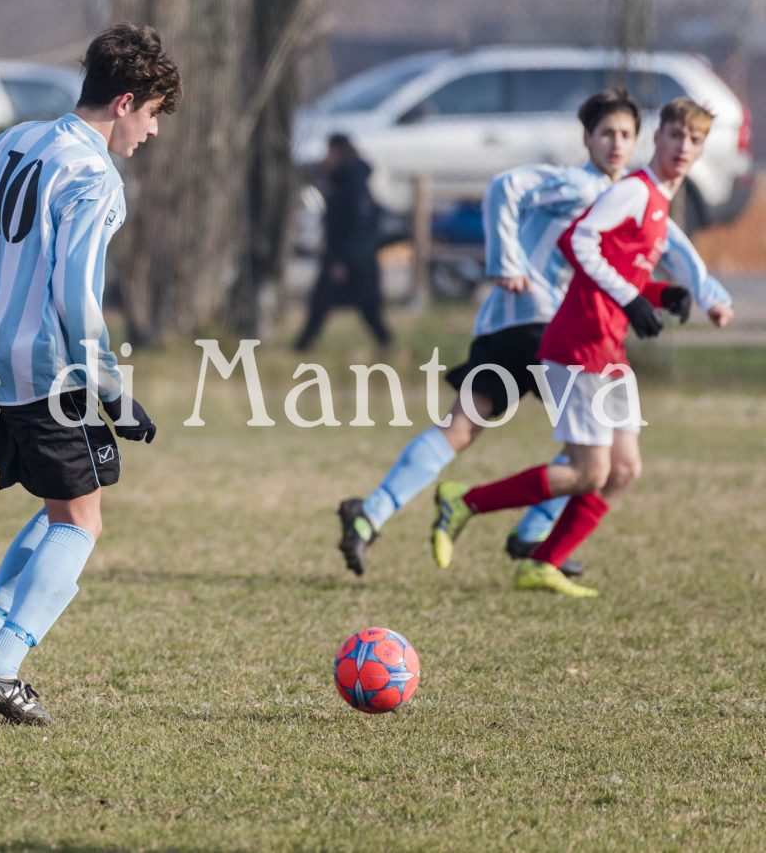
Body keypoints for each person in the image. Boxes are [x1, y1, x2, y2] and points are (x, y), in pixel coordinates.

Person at [335, 91, 732, 577]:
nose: (615, 143)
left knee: (481, 431)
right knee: (591, 451)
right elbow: (506, 185)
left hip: (533, 328)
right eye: (606, 133)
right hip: (537, 326)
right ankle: (528, 532)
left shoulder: (631, 194)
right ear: (586, 138)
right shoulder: (577, 184)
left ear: (638, 141)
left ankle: (371, 514)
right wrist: (507, 260)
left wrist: (702, 295)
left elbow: (673, 245)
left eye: (624, 135)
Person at [0, 23, 181, 725]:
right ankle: (1, 665)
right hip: (42, 367)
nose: (153, 131)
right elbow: (76, 297)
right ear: (125, 101)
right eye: (152, 113)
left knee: (61, 505)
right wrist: (112, 391)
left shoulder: (19, 139)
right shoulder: (95, 177)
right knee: (82, 521)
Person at [294, 134, 392, 351]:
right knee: (336, 305)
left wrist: (341, 260)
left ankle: (302, 346)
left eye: (329, 153)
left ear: (338, 153)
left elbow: (353, 225)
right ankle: (302, 345)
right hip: (355, 258)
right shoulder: (347, 181)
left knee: (330, 303)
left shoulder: (351, 185)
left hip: (350, 258)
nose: (326, 159)